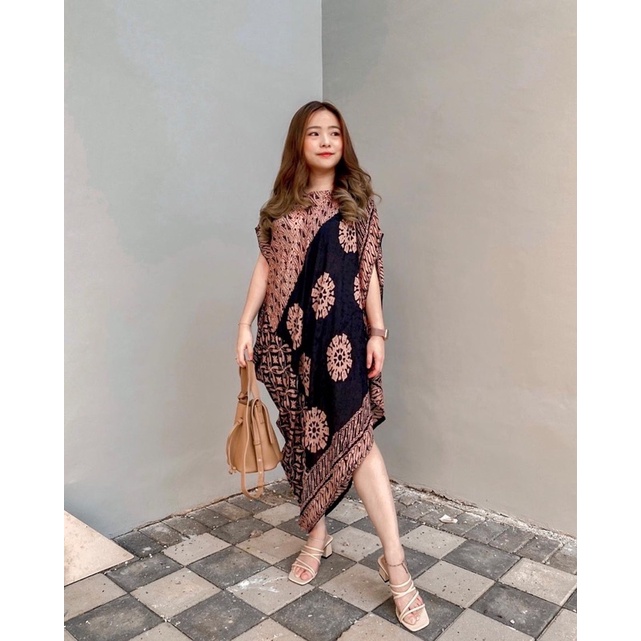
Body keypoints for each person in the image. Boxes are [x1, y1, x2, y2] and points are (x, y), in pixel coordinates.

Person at [235, 101, 429, 633]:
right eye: (314, 133)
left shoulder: (358, 205)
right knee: (302, 435)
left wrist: (379, 333)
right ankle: (318, 534)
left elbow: (369, 272)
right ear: (299, 143)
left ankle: (396, 566)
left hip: (342, 340)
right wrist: (245, 324)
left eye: (334, 133)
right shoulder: (280, 209)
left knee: (357, 442)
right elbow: (266, 267)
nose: (325, 141)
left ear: (344, 142)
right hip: (290, 338)